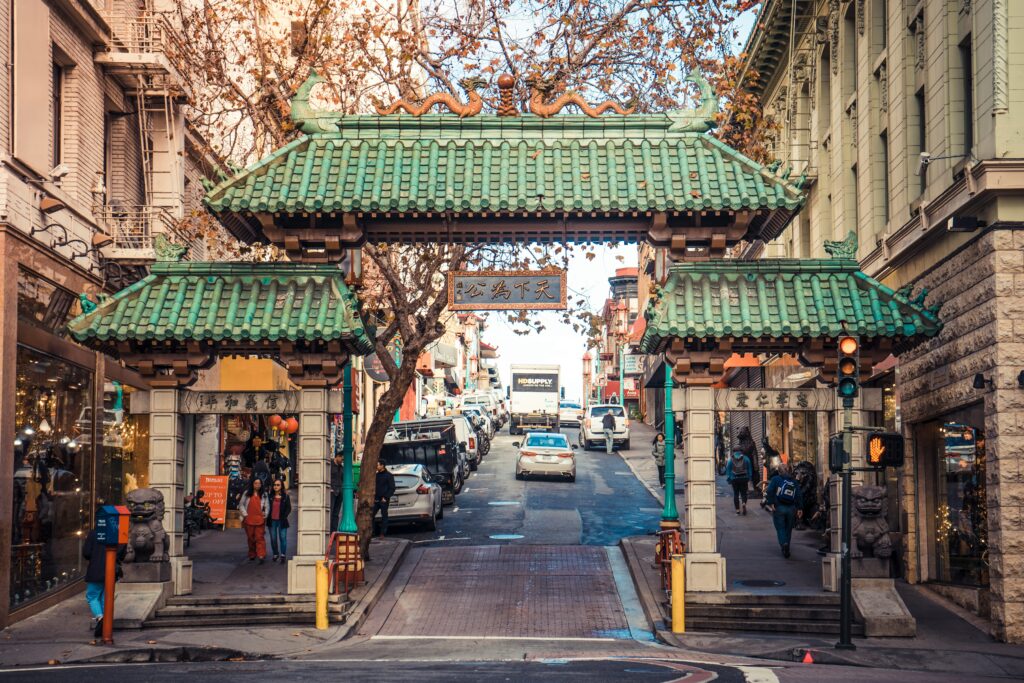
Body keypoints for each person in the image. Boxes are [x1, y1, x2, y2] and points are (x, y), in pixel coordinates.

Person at [82, 514, 124, 637]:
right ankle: (106, 624)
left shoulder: (93, 533)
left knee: (92, 596)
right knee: (106, 597)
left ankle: (101, 618)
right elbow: (122, 553)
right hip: (112, 571)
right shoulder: (117, 533)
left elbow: (86, 553)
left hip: (96, 569)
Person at [765, 462, 804, 558]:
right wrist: (800, 508)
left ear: (779, 471)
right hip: (791, 508)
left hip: (779, 507)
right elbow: (798, 494)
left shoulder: (775, 479)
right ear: (788, 471)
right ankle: (787, 548)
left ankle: (784, 544)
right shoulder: (794, 481)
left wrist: (771, 502)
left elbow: (769, 491)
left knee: (780, 527)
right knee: (788, 529)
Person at [239, 478, 269, 564]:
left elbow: (267, 506)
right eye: (255, 483)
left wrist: (265, 514)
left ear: (261, 484)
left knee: (260, 538)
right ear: (252, 484)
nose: (257, 485)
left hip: (260, 520)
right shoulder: (247, 493)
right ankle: (252, 554)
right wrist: (245, 515)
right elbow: (241, 505)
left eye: (259, 483)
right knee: (251, 538)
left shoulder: (264, 494)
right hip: (249, 519)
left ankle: (261, 555)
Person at [267, 478, 291, 563]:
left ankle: (283, 554)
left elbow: (288, 508)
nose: (276, 486)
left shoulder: (286, 497)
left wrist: (284, 516)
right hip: (272, 521)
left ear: (281, 486)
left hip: (282, 521)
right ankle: (275, 554)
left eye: (278, 485)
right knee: (273, 539)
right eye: (274, 485)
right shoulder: (270, 496)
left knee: (283, 538)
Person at [726, 448, 753, 515]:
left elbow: (728, 469)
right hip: (744, 478)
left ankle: (737, 510)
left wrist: (729, 479)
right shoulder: (746, 458)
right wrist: (749, 477)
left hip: (734, 479)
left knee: (736, 494)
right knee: (744, 493)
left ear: (734, 451)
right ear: (741, 451)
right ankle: (743, 503)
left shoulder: (730, 459)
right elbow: (750, 468)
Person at [372, 461, 396, 538]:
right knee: (371, 515)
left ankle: (383, 533)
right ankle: (372, 532)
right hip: (376, 499)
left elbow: (392, 488)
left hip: (383, 499)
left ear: (382, 466)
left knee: (384, 516)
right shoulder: (376, 475)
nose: (376, 466)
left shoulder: (389, 475)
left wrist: (385, 497)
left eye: (378, 465)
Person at [329, 452, 345, 532]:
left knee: (336, 514)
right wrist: (330, 488)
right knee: (330, 512)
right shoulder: (330, 465)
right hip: (332, 492)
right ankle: (328, 530)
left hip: (339, 492)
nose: (342, 460)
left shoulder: (341, 467)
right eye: (342, 459)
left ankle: (333, 531)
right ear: (337, 456)